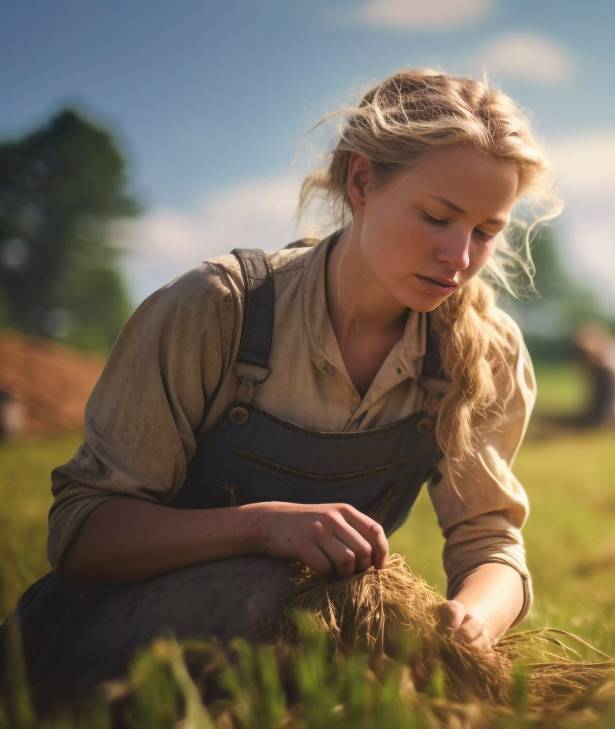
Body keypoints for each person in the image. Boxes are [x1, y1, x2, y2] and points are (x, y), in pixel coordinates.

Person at [1, 69, 558, 700]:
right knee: (280, 605)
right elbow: (82, 534)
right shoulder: (217, 310)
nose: (459, 257)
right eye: (436, 217)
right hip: (100, 650)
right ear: (361, 182)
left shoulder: (482, 349)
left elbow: (491, 543)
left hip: (305, 638)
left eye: (486, 231)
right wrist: (263, 527)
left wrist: (474, 623)